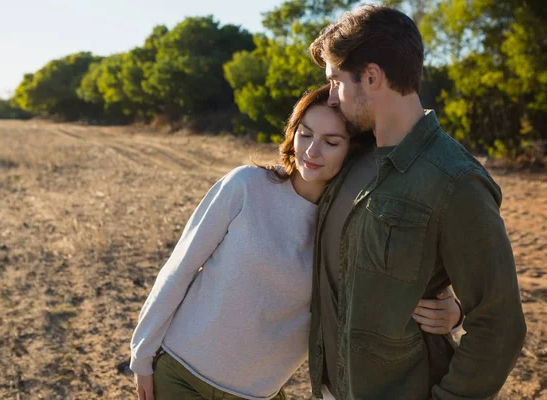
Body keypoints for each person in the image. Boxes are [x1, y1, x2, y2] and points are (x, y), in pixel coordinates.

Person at [129, 84, 463, 400]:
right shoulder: (245, 186)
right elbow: (180, 267)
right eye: (305, 134)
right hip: (179, 373)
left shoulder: (355, 223)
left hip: (258, 392)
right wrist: (142, 355)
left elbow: (400, 279)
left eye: (331, 142)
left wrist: (453, 309)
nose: (312, 151)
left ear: (353, 152)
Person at [307, 5, 527, 400]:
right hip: (331, 388)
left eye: (336, 81)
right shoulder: (348, 153)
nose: (333, 98)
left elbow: (499, 324)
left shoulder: (456, 181)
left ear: (371, 77)